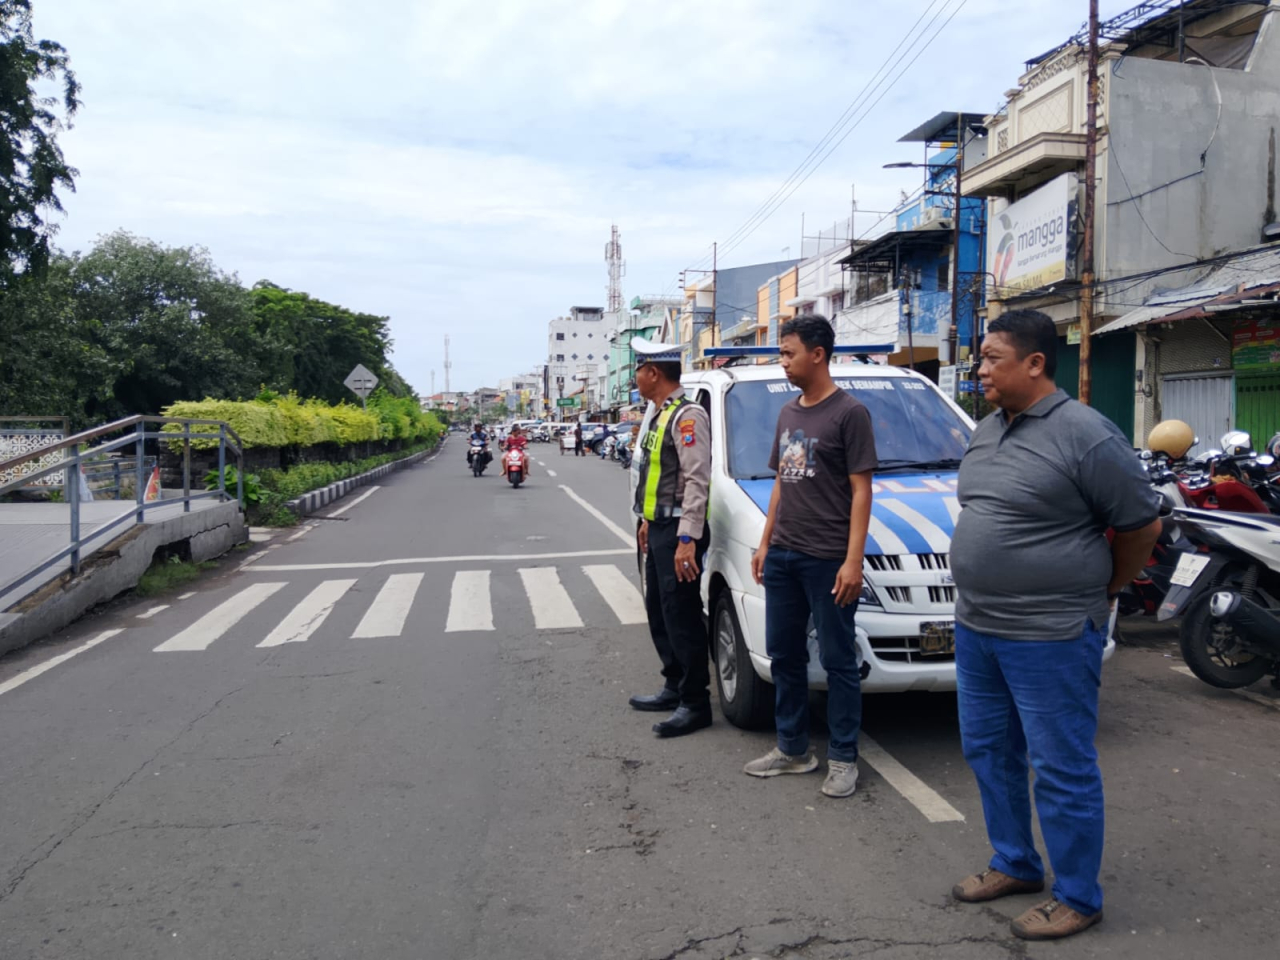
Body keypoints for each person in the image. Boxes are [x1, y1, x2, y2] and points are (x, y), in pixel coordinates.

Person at [948, 309, 1161, 942]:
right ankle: (1014, 862)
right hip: (977, 627)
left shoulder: (1086, 434)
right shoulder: (986, 430)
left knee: (1062, 765)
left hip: (1052, 633)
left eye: (991, 358)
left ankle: (1077, 896)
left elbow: (1141, 526)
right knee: (989, 751)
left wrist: (1103, 589)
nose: (979, 368)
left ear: (1035, 363)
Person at [745, 314, 876, 799]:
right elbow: (784, 478)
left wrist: (853, 560)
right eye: (782, 354)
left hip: (828, 559)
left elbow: (862, 491)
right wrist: (765, 542)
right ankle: (793, 749)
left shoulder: (849, 413)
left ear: (817, 354)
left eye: (788, 353)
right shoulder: (789, 414)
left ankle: (843, 758)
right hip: (784, 555)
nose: (783, 362)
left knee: (840, 660)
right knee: (785, 656)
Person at [627, 338, 713, 738]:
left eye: (639, 370)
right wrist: (647, 520)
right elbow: (658, 476)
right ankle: (673, 685)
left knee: (682, 616)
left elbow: (697, 480)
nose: (636, 377)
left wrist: (687, 539)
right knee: (660, 611)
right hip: (658, 527)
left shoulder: (687, 416)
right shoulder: (659, 415)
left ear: (654, 373)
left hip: (680, 533)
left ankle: (695, 703)